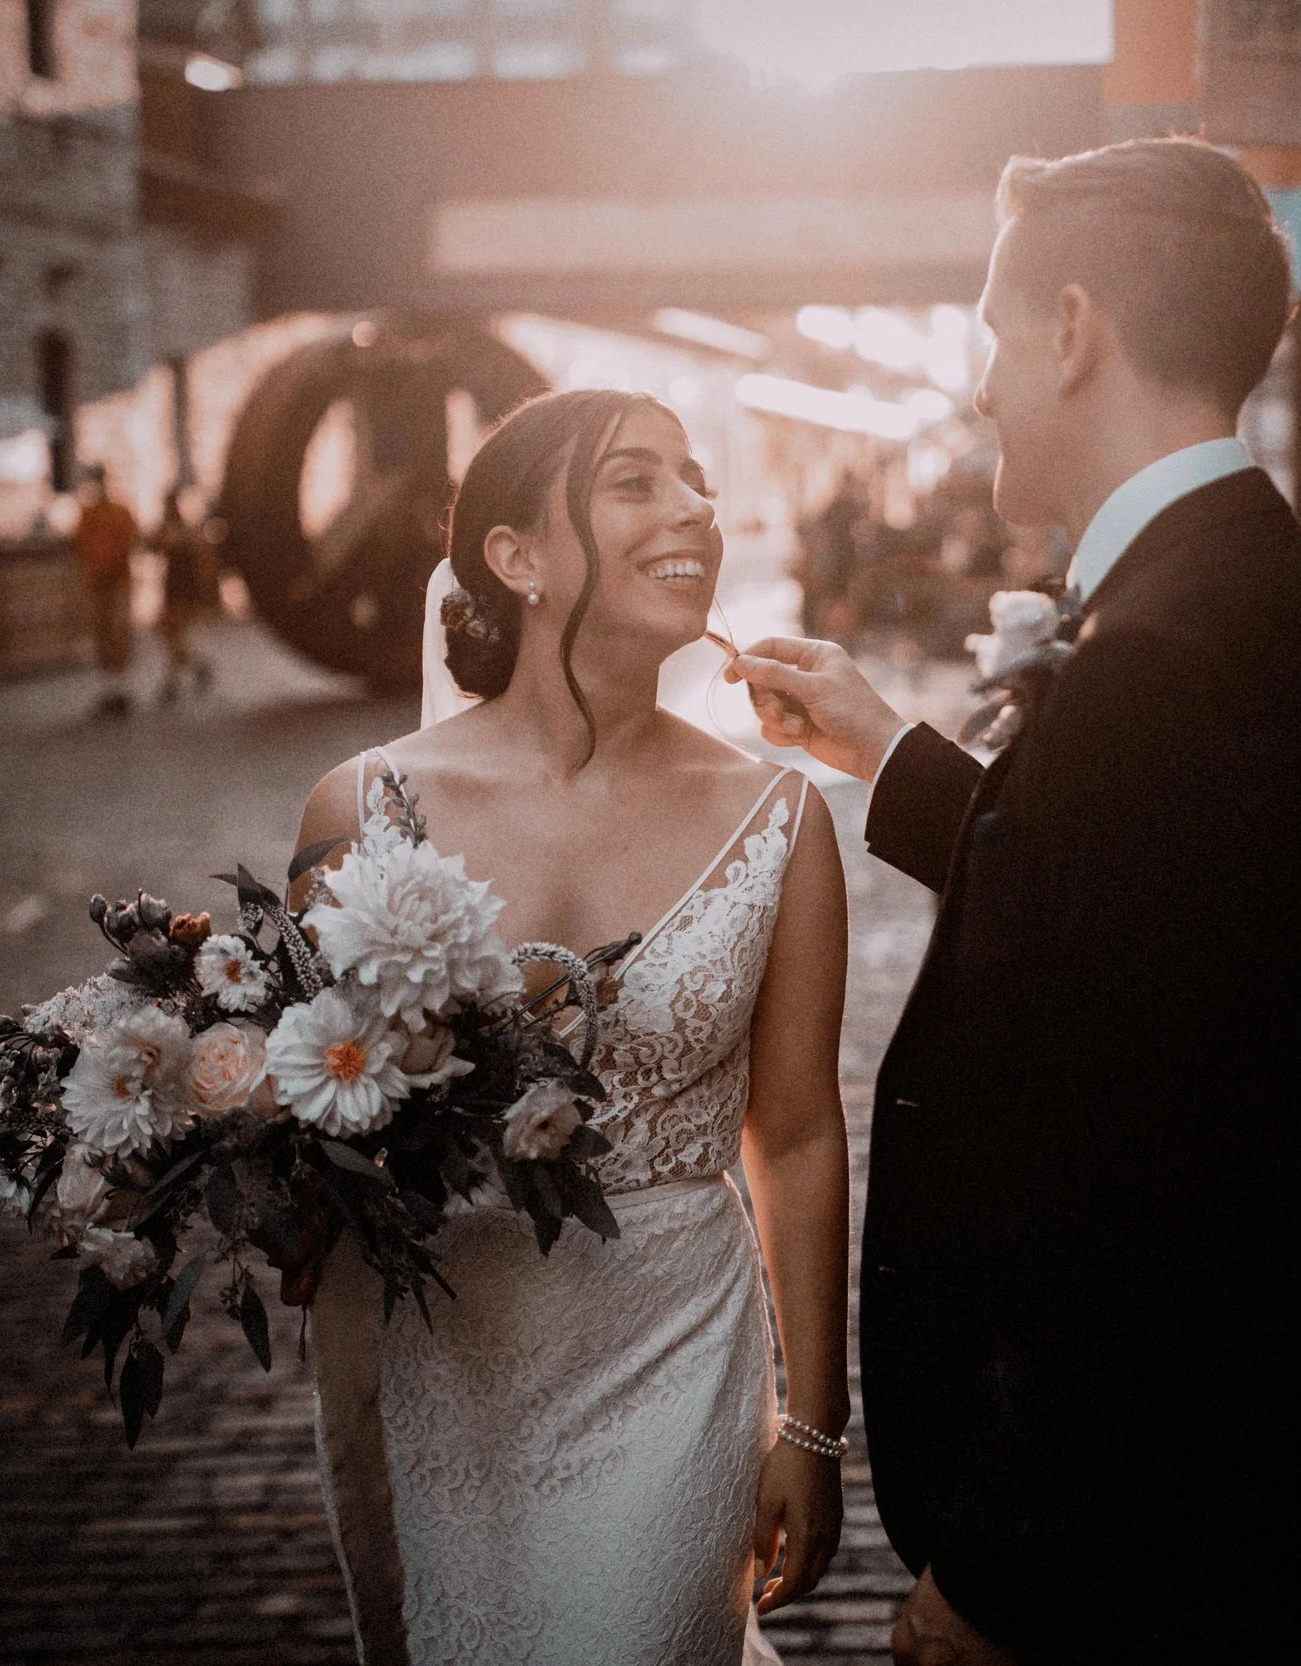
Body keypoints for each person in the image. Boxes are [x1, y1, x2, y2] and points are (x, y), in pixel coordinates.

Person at [730, 138, 1301, 1666]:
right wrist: (895, 755)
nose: (983, 385)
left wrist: (1006, 1566)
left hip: (1140, 1551)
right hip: (1265, 1486)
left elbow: (1147, 1169)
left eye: (993, 337)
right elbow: (1138, 911)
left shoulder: (1161, 667)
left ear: (1071, 331)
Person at [291, 390, 852, 1666]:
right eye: (636, 481)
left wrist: (812, 1427)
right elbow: (316, 1106)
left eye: (697, 480)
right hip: (444, 1360)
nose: (695, 508)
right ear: (517, 556)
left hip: (677, 1352)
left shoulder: (777, 821)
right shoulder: (362, 807)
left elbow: (804, 1136)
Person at [69, 466, 139, 717]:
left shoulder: (119, 513)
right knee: (102, 633)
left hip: (117, 579)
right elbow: (79, 546)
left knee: (117, 631)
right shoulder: (88, 515)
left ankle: (121, 688)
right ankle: (111, 689)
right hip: (99, 582)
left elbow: (131, 540)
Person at [150, 486, 215, 702]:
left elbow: (199, 561)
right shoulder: (180, 530)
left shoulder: (182, 532)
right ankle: (193, 670)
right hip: (175, 590)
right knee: (172, 636)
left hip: (182, 591)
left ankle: (175, 681)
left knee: (172, 635)